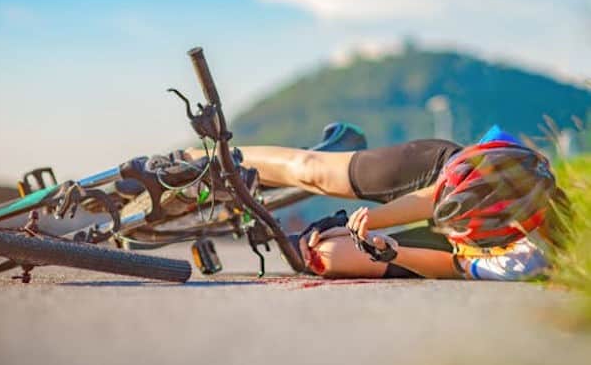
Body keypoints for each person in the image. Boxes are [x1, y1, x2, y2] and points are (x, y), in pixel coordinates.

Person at [185, 128, 563, 280]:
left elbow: (453, 263)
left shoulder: (526, 258)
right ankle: (189, 162)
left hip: (457, 245)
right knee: (312, 170)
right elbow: (433, 198)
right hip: (434, 175)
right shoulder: (504, 158)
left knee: (324, 256)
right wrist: (364, 220)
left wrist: (389, 250)